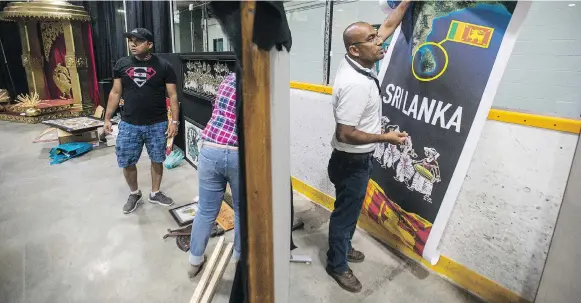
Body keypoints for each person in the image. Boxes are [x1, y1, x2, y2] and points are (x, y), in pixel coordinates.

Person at [325, 1, 411, 293]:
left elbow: (388, 26)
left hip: (352, 160)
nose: (380, 41)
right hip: (351, 161)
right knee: (345, 214)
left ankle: (344, 247)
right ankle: (336, 264)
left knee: (348, 209)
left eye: (376, 36)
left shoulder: (358, 58)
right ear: (355, 50)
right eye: (373, 39)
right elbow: (347, 133)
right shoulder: (355, 84)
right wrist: (384, 137)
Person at [104, 28, 180, 214]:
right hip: (129, 123)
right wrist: (107, 117)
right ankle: (134, 193)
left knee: (157, 159)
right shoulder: (121, 64)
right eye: (130, 40)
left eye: (138, 41)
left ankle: (155, 193)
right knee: (127, 161)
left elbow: (173, 94)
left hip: (157, 123)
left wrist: (174, 122)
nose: (132, 44)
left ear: (149, 44)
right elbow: (115, 92)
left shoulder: (164, 66)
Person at [188, 72, 241, 278]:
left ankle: (194, 262)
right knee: (241, 211)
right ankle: (239, 259)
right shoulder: (258, 85)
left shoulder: (228, 79)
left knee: (206, 210)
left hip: (211, 149)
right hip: (238, 154)